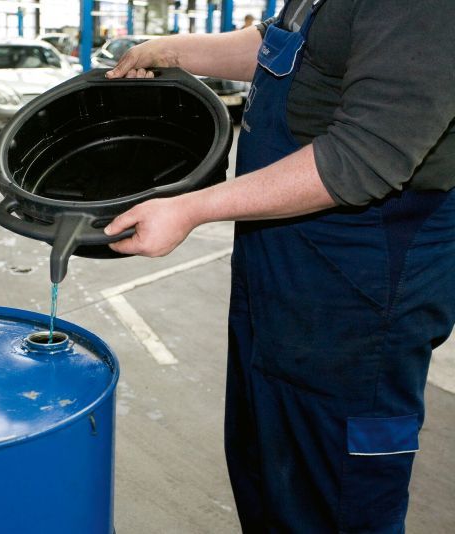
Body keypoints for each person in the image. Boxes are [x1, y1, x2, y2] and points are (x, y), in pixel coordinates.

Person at [103, 0, 455, 531]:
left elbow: (363, 156)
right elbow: (285, 46)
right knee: (269, 471)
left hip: (359, 292)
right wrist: (166, 50)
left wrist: (191, 208)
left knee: (332, 496)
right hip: (283, 267)